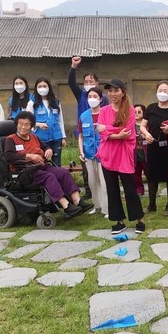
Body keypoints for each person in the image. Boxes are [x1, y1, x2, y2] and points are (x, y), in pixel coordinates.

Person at [4, 111, 90, 218]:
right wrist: (30, 156)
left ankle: (77, 201)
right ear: (16, 124)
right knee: (49, 177)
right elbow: (9, 157)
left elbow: (45, 147)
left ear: (31, 126)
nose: (23, 127)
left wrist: (48, 150)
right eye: (20, 124)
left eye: (26, 124)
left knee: (63, 172)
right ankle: (66, 206)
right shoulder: (11, 139)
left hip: (41, 166)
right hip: (25, 171)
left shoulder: (34, 137)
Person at [96, 78, 146, 235]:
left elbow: (127, 132)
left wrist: (107, 130)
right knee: (112, 189)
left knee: (130, 188)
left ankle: (139, 219)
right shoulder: (104, 110)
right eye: (110, 91)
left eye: (116, 90)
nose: (113, 94)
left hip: (124, 155)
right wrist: (116, 134)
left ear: (123, 92)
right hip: (107, 155)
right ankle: (119, 221)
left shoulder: (130, 110)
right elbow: (100, 132)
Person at [68, 56, 109, 198]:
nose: (88, 84)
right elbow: (71, 82)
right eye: (86, 82)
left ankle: (105, 193)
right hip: (85, 136)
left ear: (97, 83)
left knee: (102, 169)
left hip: (100, 138)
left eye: (91, 81)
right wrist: (74, 66)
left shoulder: (104, 98)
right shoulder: (81, 95)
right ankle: (89, 192)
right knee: (87, 167)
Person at [139, 80, 168, 215]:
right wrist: (146, 134)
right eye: (160, 90)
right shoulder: (151, 108)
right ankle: (151, 205)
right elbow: (142, 126)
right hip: (153, 147)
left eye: (165, 90)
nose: (162, 93)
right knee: (151, 177)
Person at [77, 87, 108, 217]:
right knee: (92, 181)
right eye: (90, 97)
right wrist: (81, 152)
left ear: (101, 99)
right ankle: (97, 206)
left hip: (103, 153)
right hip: (88, 153)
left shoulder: (106, 113)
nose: (92, 99)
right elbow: (80, 136)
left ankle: (107, 208)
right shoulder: (83, 116)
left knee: (104, 181)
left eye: (95, 97)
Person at [31, 77, 66, 167]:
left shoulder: (56, 102)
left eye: (44, 86)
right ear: (36, 88)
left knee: (57, 163)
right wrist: (39, 124)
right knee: (42, 163)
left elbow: (60, 121)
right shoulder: (32, 103)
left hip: (56, 137)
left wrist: (63, 137)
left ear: (49, 87)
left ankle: (57, 176)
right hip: (40, 139)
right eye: (40, 86)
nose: (42, 88)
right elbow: (28, 122)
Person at [133, 104, 147, 196]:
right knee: (136, 174)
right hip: (135, 154)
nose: (136, 114)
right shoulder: (131, 125)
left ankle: (152, 188)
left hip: (145, 154)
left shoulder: (146, 125)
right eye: (134, 112)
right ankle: (139, 189)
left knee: (149, 172)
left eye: (139, 112)